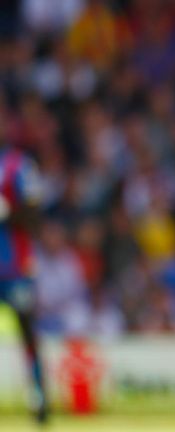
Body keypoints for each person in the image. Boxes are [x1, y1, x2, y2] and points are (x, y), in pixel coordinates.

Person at [0, 116, 48, 423]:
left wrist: (6, 211)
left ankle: (39, 397)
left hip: (15, 266)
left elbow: (34, 214)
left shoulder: (19, 166)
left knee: (27, 330)